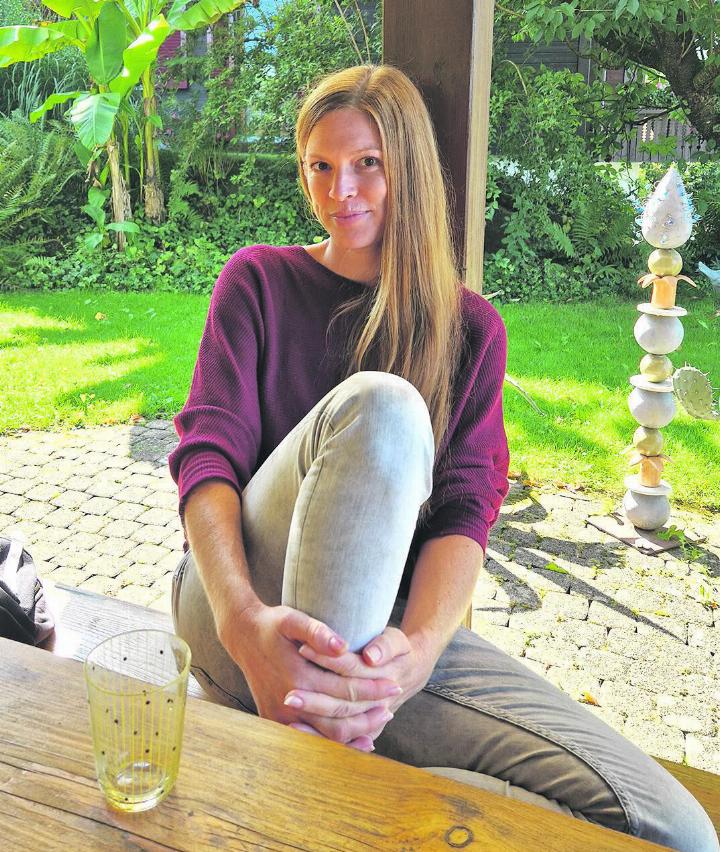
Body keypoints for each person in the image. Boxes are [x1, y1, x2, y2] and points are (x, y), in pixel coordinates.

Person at [169, 64, 718, 850]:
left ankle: (338, 763)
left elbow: (466, 510)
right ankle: (324, 763)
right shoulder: (257, 281)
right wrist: (241, 619)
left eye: (366, 164)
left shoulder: (469, 331)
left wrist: (417, 655)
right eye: (318, 166)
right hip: (235, 606)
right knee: (387, 407)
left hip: (379, 640)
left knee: (674, 830)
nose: (338, 191)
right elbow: (207, 459)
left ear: (409, 169)